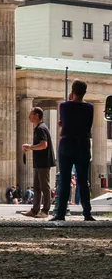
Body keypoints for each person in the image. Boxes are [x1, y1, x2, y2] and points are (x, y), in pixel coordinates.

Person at [52, 80, 95, 221]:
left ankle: (60, 214)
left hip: (67, 143)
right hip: (82, 144)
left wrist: (63, 124)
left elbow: (64, 124)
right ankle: (87, 213)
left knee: (64, 180)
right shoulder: (89, 107)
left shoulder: (64, 106)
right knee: (83, 180)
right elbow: (88, 125)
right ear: (84, 92)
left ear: (72, 91)